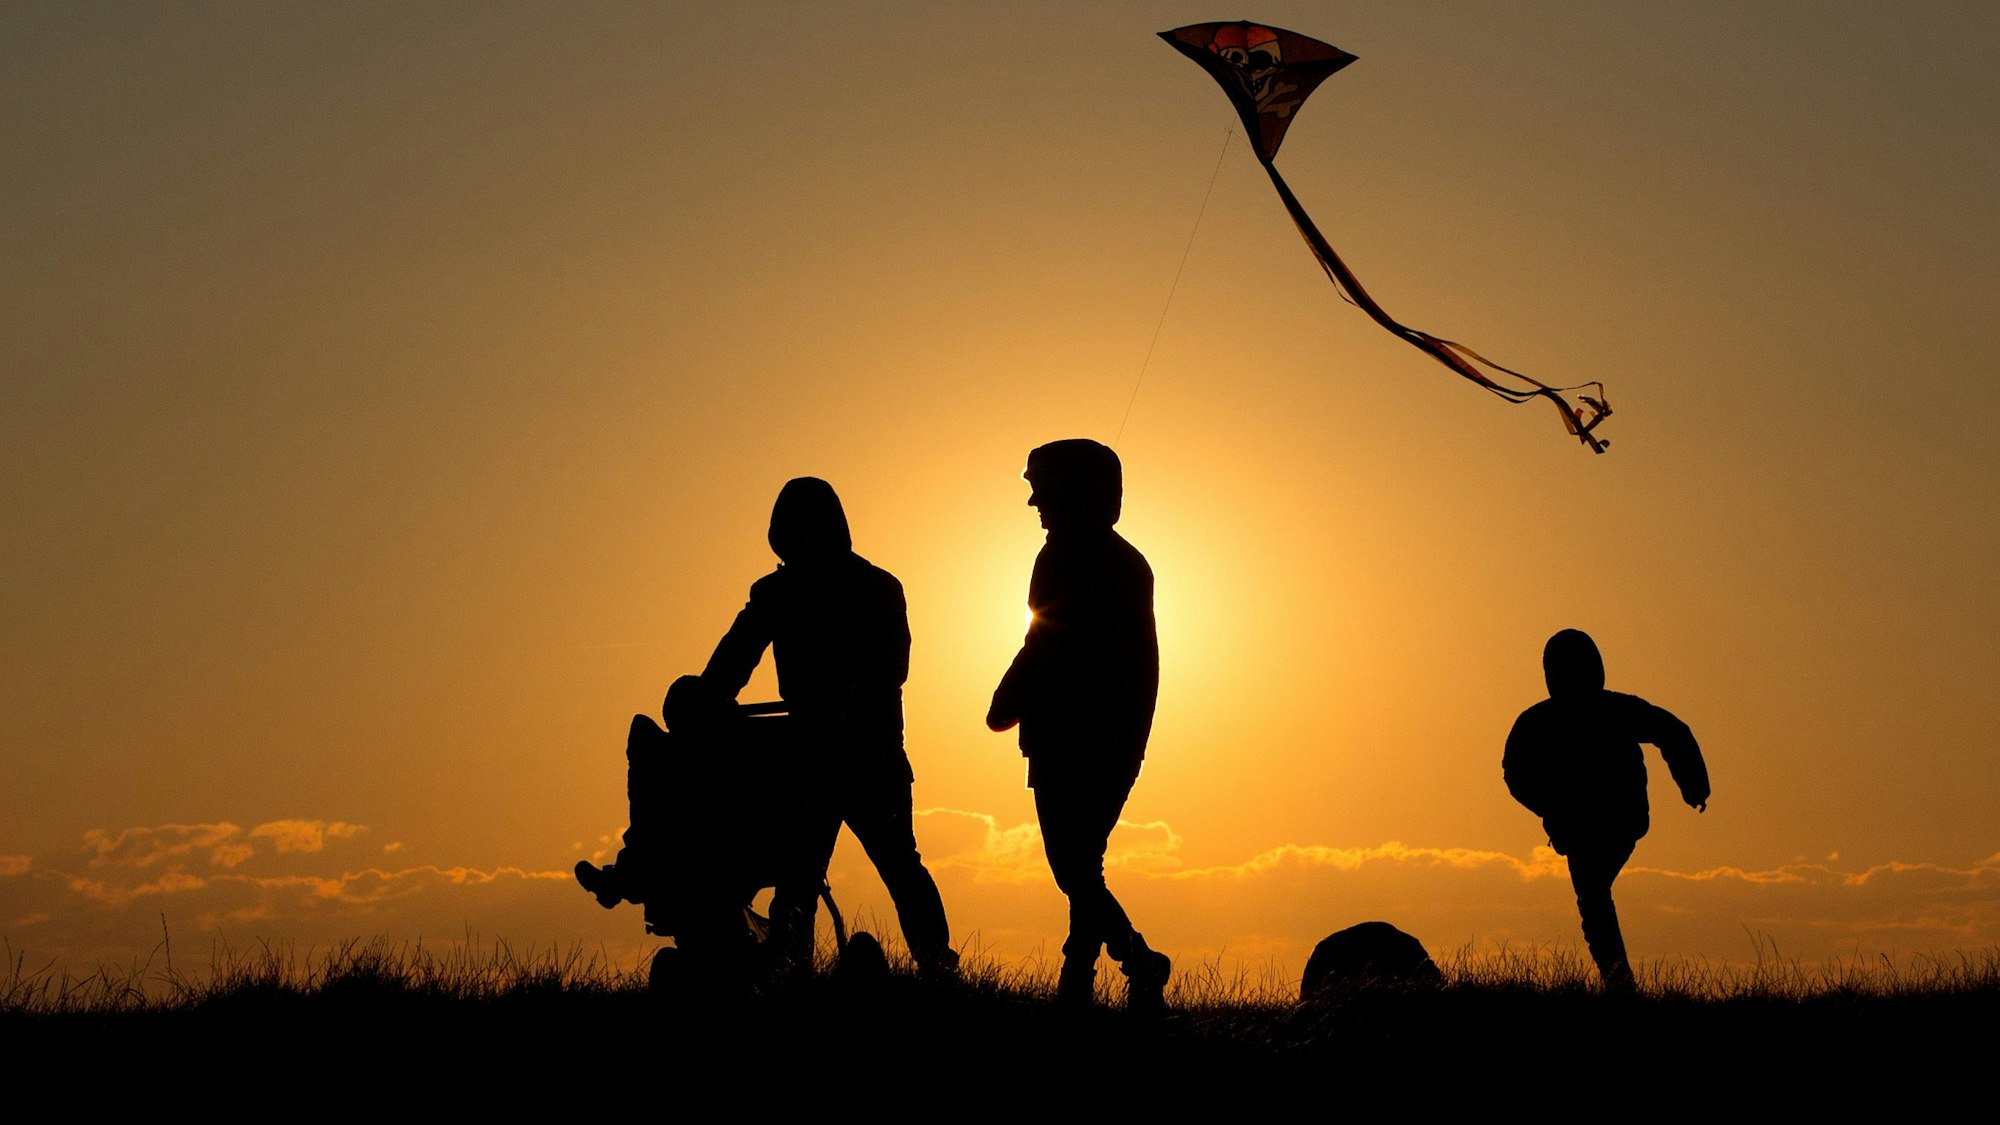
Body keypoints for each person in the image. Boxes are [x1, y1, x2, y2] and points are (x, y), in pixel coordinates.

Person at [702, 477, 955, 975]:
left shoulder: (803, 591)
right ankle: (927, 965)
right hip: (849, 755)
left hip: (849, 755)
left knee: (852, 868)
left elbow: (890, 669)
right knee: (836, 869)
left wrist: (709, 697)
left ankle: (925, 963)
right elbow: (732, 662)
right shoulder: (869, 587)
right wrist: (706, 696)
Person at [987, 439, 1171, 1009]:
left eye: (1040, 488)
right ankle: (1081, 977)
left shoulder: (1073, 559)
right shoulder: (1121, 560)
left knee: (1072, 865)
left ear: (1072, 491)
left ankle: (1137, 961)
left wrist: (1006, 699)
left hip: (1078, 737)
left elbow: (1046, 640)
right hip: (1107, 737)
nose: (1033, 502)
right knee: (1081, 862)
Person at [1503, 628, 1710, 990]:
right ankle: (1619, 981)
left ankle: (1619, 983)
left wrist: (1693, 785)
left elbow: (1672, 732)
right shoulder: (1539, 722)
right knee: (1594, 897)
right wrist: (1552, 808)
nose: (1578, 677)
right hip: (1584, 825)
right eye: (1570, 669)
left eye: (1583, 668)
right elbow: (1515, 771)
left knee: (1593, 896)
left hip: (1616, 820)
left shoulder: (1612, 710)